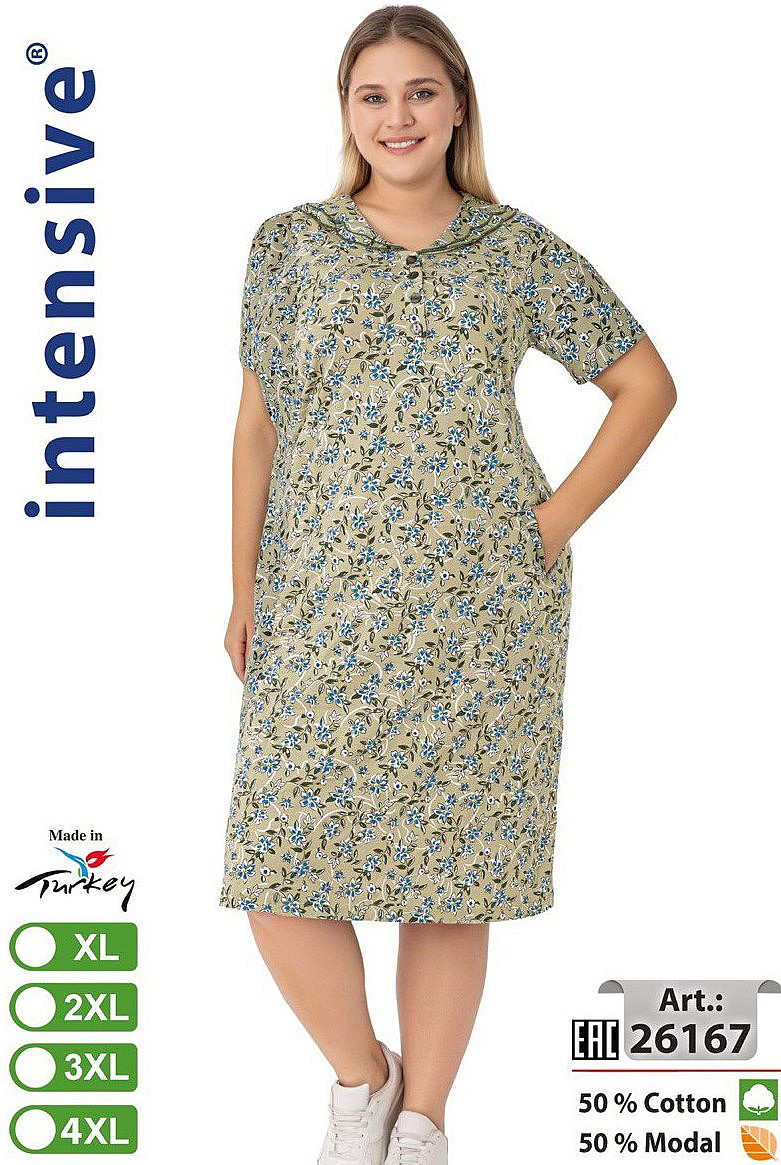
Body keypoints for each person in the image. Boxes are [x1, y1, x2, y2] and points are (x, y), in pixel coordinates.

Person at [219, 6, 676, 1162]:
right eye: (372, 96)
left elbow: (646, 386)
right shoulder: (289, 246)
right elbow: (257, 428)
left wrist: (549, 526)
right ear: (346, 112)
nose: (398, 117)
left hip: (483, 608)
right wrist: (243, 588)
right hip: (317, 599)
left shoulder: (513, 248)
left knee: (452, 876)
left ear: (458, 104)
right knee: (277, 867)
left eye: (420, 92)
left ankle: (423, 1124)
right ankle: (363, 1083)